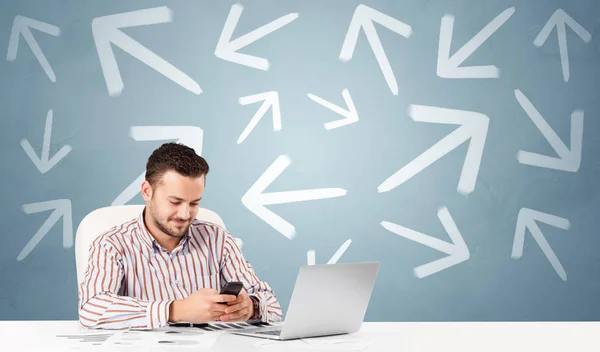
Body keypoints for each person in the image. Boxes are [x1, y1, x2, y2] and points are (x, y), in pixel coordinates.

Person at [78, 142, 282, 329]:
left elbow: (273, 306)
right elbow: (91, 309)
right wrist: (176, 310)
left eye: (194, 203)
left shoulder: (217, 239)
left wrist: (251, 307)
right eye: (175, 202)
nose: (185, 215)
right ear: (147, 192)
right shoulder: (111, 244)